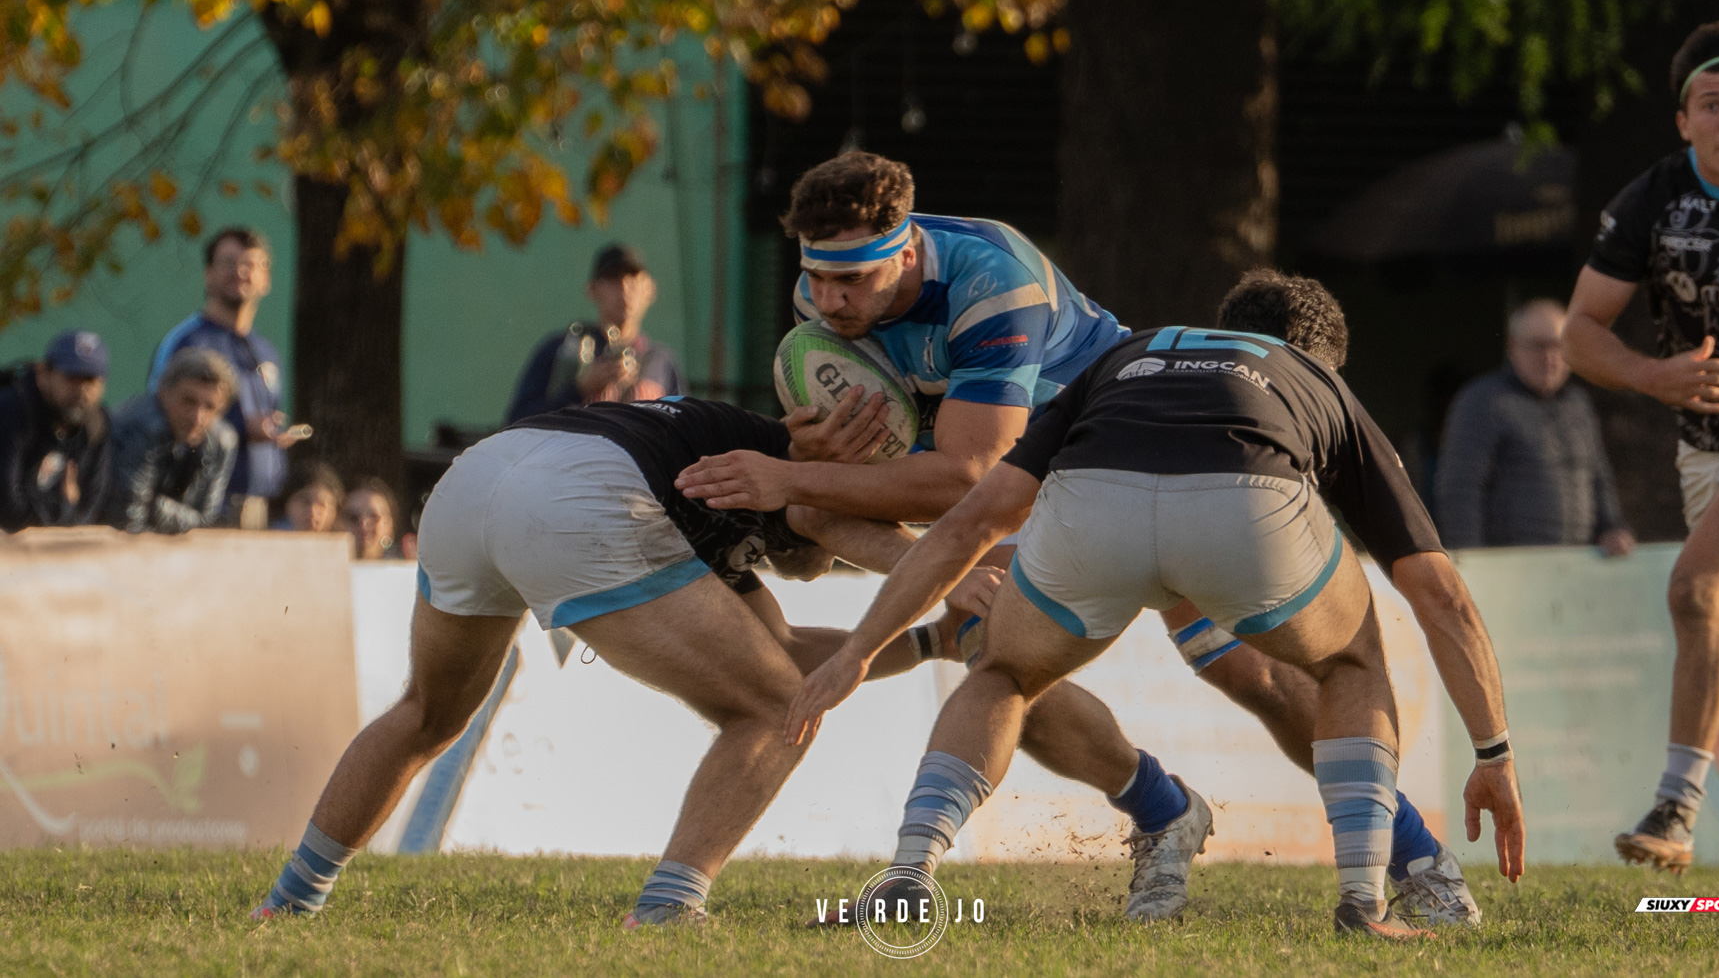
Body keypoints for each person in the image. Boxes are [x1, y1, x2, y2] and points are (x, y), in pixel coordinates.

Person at [675, 155, 1475, 924]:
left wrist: (792, 477)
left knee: (1251, 674)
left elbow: (968, 476)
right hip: (1027, 493)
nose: (830, 300)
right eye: (815, 277)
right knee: (979, 636)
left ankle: (1415, 861)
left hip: (1102, 458)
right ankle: (1156, 812)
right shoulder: (826, 297)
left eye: (852, 280)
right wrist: (813, 455)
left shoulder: (993, 282)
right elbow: (887, 464)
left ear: (907, 247)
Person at [786, 275, 1526, 939]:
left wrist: (858, 650)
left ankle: (910, 877)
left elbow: (972, 521)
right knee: (1349, 659)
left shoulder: (1128, 354)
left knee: (1004, 671)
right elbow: (1440, 594)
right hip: (1242, 513)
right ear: (1318, 357)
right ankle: (1365, 902)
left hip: (1093, 508)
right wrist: (1492, 752)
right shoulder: (1313, 381)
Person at [252, 394, 998, 928]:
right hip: (581, 492)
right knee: (776, 709)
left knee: (426, 713)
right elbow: (817, 517)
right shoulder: (786, 476)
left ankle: (289, 899)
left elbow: (794, 652)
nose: (822, 562)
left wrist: (932, 639)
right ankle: (669, 908)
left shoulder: (717, 501)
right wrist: (956, 574)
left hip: (474, 479)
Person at [1564, 20, 1719, 872]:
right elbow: (1580, 333)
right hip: (1707, 446)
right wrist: (1652, 376)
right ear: (1683, 121)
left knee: (1696, 589)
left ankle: (1674, 809)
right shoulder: (1650, 201)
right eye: (1713, 104)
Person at [1436, 299, 1635, 555]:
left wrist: (1612, 527)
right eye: (1538, 346)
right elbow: (1459, 489)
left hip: (1577, 567)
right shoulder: (1482, 402)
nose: (1550, 358)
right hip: (1512, 570)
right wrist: (1472, 568)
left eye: (1558, 346)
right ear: (1512, 347)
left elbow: (1598, 477)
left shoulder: (1578, 404)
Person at [148, 227, 302, 514]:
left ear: (266, 279)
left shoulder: (267, 352)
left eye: (251, 264)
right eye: (228, 263)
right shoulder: (187, 342)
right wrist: (243, 427)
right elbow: (157, 417)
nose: (240, 272)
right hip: (200, 506)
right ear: (208, 274)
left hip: (264, 506)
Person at [505, 243, 688, 422]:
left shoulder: (661, 361)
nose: (624, 289)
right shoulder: (562, 350)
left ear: (650, 290)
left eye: (633, 278)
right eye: (613, 279)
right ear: (592, 290)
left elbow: (684, 429)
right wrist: (580, 390)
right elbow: (518, 421)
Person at [108, 348, 239, 533]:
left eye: (210, 407)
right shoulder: (139, 427)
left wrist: (158, 507)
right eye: (188, 401)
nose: (197, 417)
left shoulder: (222, 440)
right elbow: (128, 519)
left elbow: (207, 521)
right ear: (163, 392)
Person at [0, 329, 112, 532]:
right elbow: (5, 504)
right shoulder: (11, 410)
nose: (82, 390)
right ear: (43, 375)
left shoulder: (96, 424)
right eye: (72, 378)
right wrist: (62, 510)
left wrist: (66, 513)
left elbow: (92, 501)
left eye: (90, 380)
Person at [275, 462, 344, 533]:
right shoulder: (269, 539)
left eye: (322, 504)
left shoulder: (350, 541)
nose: (312, 512)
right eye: (305, 502)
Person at [343, 477, 402, 560]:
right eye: (354, 518)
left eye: (374, 517)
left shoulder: (405, 570)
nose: (364, 524)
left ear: (390, 525)